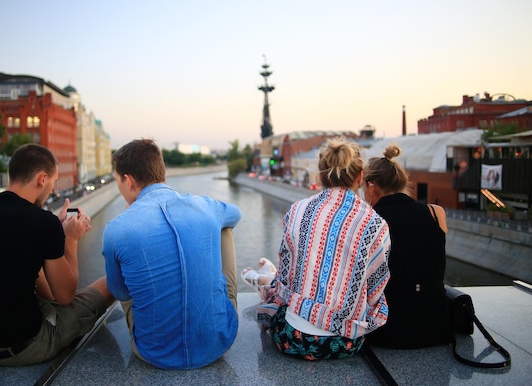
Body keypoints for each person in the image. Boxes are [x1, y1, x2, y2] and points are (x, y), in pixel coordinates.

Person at [0, 143, 114, 367]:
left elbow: (45, 289)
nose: (53, 191)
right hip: (23, 347)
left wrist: (54, 233)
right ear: (42, 179)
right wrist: (70, 239)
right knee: (110, 282)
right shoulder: (41, 222)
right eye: (54, 183)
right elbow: (64, 297)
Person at [242, 138, 391, 360]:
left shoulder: (297, 211)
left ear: (320, 176)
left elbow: (286, 280)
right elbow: (375, 291)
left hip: (292, 338)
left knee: (281, 289)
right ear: (360, 177)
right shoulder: (375, 223)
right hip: (346, 343)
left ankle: (262, 279)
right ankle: (264, 278)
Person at [102, 139, 241, 369]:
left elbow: (120, 291)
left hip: (153, 354)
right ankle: (219, 308)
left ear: (128, 180)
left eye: (118, 181)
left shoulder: (116, 228)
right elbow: (235, 214)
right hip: (218, 343)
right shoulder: (204, 205)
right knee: (224, 225)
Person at [363, 142, 451, 349]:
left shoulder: (369, 220)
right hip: (437, 326)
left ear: (371, 185)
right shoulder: (435, 212)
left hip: (388, 332)